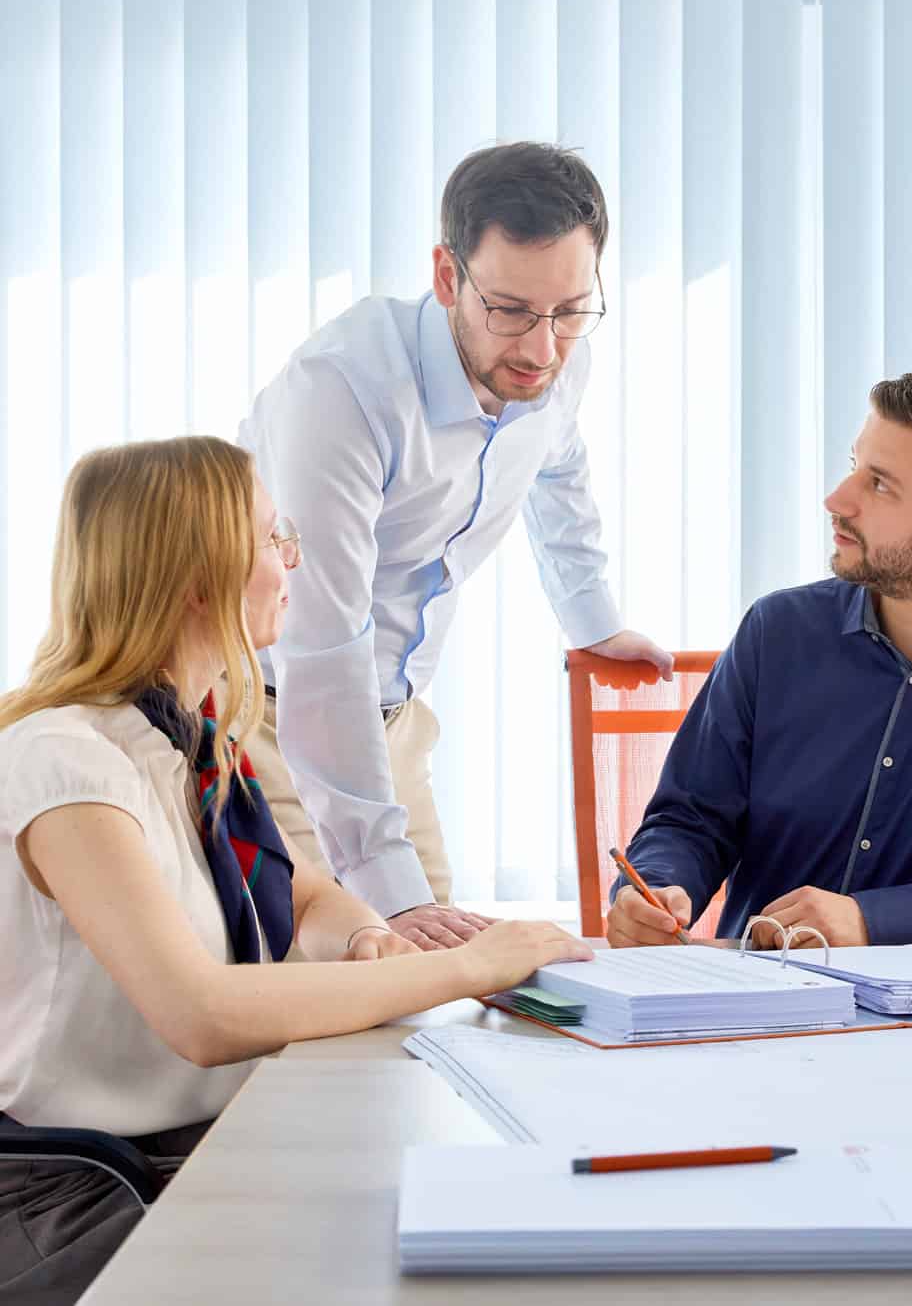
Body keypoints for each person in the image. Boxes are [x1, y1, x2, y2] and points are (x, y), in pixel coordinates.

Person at [0, 436, 589, 1304]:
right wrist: (462, 966)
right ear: (198, 577)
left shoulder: (196, 743)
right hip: (70, 1188)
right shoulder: (64, 760)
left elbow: (293, 888)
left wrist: (365, 933)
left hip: (187, 1142)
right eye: (274, 540)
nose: (291, 563)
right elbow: (199, 1012)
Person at [239, 141, 672, 951]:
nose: (541, 349)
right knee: (345, 983)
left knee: (434, 994)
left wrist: (589, 617)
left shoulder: (547, 355)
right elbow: (323, 642)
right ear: (447, 277)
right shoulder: (342, 390)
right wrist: (388, 889)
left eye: (571, 310)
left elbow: (557, 467)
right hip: (268, 715)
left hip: (393, 723)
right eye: (507, 310)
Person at [606, 366, 912, 957]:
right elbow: (690, 820)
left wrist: (878, 920)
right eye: (855, 464)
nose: (837, 499)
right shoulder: (777, 631)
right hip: (753, 1002)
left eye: (879, 484)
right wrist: (656, 886)